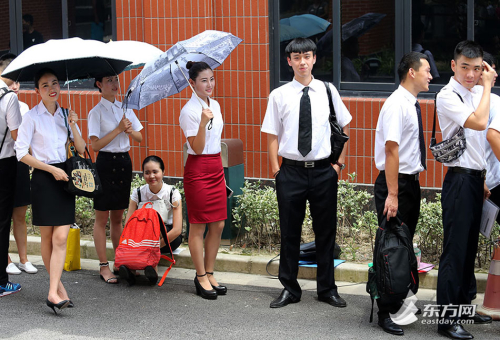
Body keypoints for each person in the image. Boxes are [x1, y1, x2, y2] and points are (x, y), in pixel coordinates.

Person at [261, 38, 351, 309]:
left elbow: (344, 127)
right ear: (289, 61)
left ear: (314, 59)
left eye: (307, 56)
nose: (302, 62)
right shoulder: (279, 95)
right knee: (289, 232)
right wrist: (277, 171)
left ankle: (327, 288)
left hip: (325, 171)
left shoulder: (328, 90)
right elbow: (271, 135)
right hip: (291, 172)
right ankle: (290, 288)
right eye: (296, 57)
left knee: (326, 232)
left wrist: (338, 167)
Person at [436, 41, 495, 339]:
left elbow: (476, 145)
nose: (471, 74)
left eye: (477, 68)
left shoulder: (473, 94)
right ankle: (446, 320)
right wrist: (487, 88)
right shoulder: (448, 95)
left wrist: (482, 176)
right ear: (453, 65)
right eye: (465, 68)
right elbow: (479, 123)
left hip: (474, 179)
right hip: (458, 181)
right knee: (455, 251)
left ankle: (462, 309)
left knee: (469, 249)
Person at [14, 68, 86, 313]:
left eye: (54, 83)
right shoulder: (31, 117)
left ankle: (52, 292)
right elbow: (21, 153)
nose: (51, 88)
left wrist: (75, 126)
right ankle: (58, 290)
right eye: (45, 85)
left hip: (66, 178)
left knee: (61, 237)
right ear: (37, 91)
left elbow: (81, 147)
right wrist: (49, 169)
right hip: (44, 178)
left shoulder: (66, 114)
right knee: (47, 238)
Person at [373, 51, 432, 336]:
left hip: (409, 182)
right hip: (395, 183)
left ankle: (401, 299)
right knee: (391, 249)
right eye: (427, 71)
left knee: (404, 246)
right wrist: (393, 194)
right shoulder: (397, 104)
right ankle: (386, 310)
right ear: (412, 72)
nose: (431, 75)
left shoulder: (411, 104)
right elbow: (391, 149)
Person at [87, 74, 143, 284]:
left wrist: (128, 130)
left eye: (116, 80)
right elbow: (95, 145)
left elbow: (139, 137)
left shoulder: (126, 108)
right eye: (109, 81)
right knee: (101, 219)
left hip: (123, 163)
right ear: (99, 85)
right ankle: (104, 266)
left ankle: (121, 262)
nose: (114, 84)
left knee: (118, 218)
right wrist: (118, 129)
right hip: (105, 163)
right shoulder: (96, 112)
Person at [179, 61, 227, 300]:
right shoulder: (188, 110)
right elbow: (196, 148)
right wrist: (201, 121)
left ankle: (210, 272)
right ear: (192, 83)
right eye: (203, 80)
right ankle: (199, 276)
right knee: (198, 224)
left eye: (212, 79)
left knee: (218, 224)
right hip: (198, 168)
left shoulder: (215, 105)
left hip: (216, 165)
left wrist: (207, 118)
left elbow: (214, 139)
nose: (209, 84)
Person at [122, 155, 183, 285]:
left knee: (153, 228)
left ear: (163, 172)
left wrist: (151, 247)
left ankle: (144, 268)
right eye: (147, 172)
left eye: (155, 172)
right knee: (138, 229)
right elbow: (128, 224)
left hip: (167, 238)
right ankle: (134, 271)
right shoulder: (138, 193)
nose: (151, 176)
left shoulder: (172, 193)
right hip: (141, 237)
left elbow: (177, 230)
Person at [4, 55, 37, 276]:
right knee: (3, 214)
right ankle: (6, 259)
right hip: (4, 161)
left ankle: (24, 259)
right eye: (11, 80)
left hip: (20, 163)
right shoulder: (4, 101)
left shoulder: (24, 106)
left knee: (20, 213)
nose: (15, 85)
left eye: (18, 81)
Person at [0, 54, 22, 297]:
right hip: (4, 164)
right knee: (2, 222)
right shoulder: (10, 98)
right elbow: (17, 137)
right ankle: (1, 281)